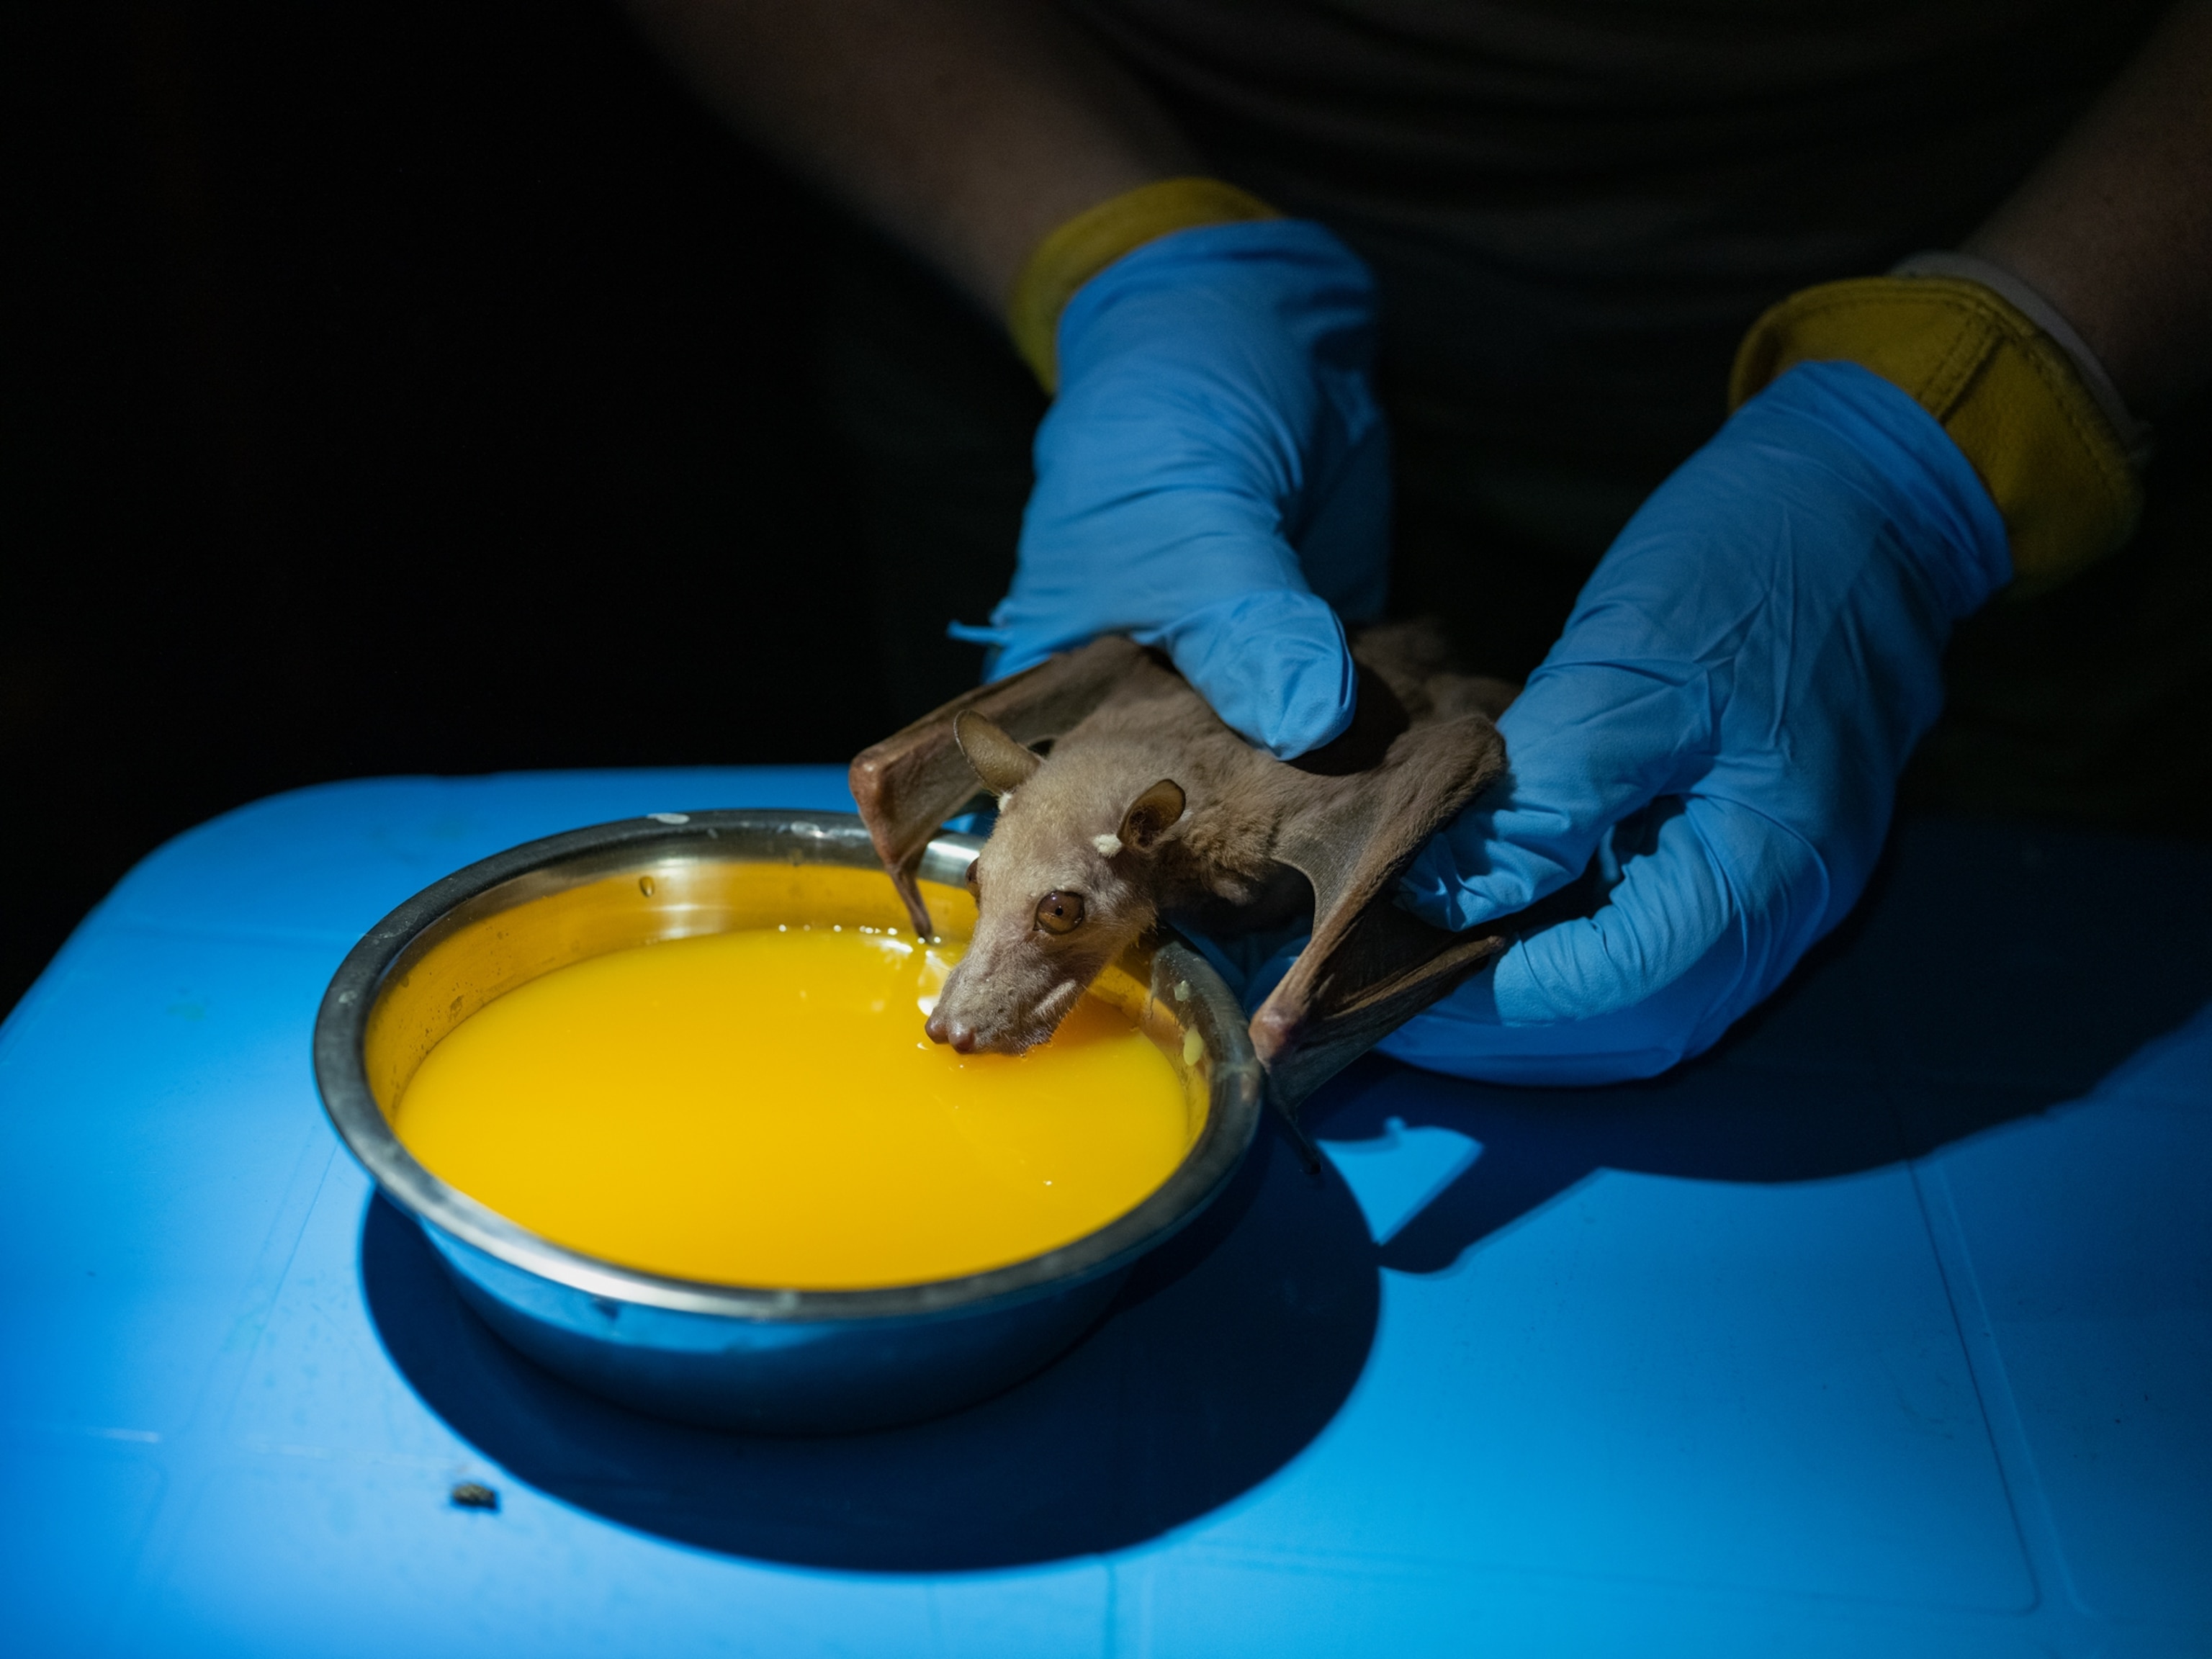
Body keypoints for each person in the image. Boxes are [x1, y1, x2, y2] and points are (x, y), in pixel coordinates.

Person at [629, 0, 2212, 1083]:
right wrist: (1118, 252)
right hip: (1056, 193)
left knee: (1982, 969)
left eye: (1042, 924)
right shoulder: (1062, 778)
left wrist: (1973, 415)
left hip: (1989, 216)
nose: (1002, 967)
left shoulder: (1209, 839)